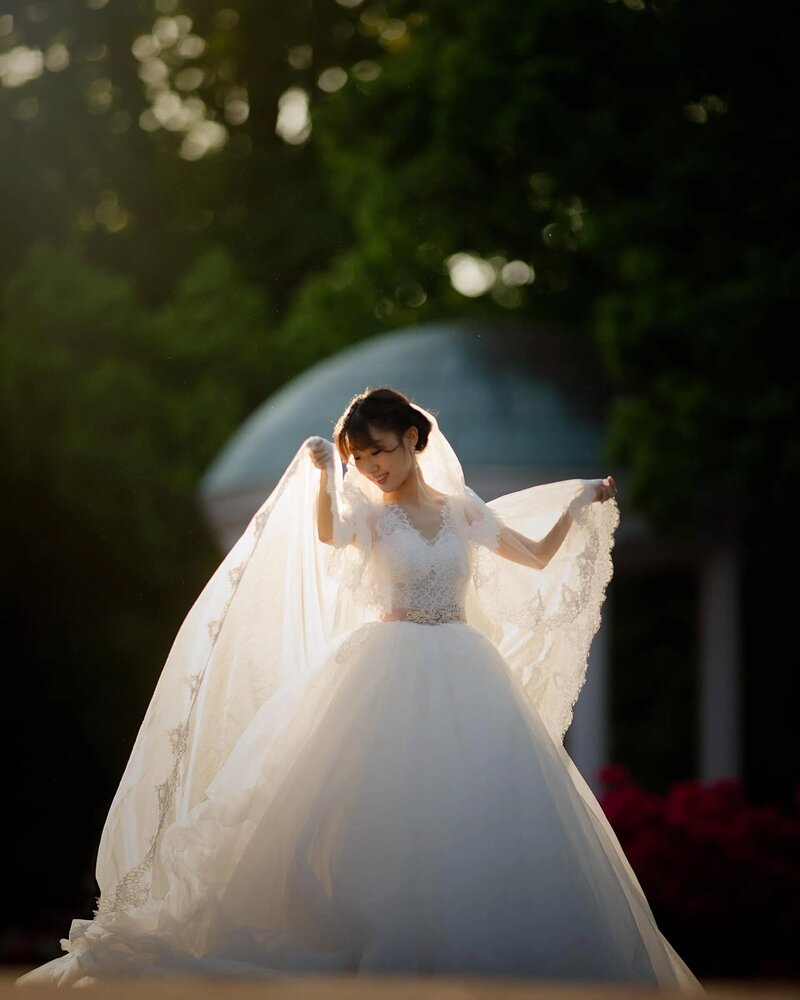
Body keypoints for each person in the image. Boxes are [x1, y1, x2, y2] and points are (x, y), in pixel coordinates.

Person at [17, 386, 704, 990]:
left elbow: (533, 554)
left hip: (466, 668)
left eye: (379, 452)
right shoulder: (370, 512)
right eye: (361, 457)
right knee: (356, 805)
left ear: (411, 439)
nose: (372, 467)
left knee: (474, 806)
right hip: (385, 663)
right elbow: (328, 534)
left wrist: (581, 504)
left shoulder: (461, 508)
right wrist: (323, 477)